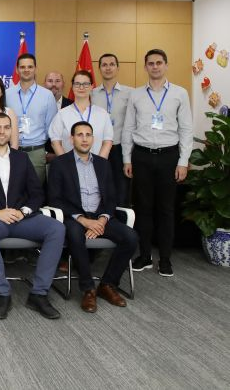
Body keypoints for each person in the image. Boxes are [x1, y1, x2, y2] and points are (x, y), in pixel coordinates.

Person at [0, 112, 65, 320]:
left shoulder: (21, 158)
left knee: (56, 228)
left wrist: (23, 211)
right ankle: (2, 294)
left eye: (6, 127)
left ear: (11, 131)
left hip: (21, 218)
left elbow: (37, 193)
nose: (2, 132)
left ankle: (39, 294)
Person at [47, 121, 138, 313]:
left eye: (88, 135)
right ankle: (88, 289)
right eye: (80, 135)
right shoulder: (59, 164)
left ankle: (107, 284)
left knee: (130, 237)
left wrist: (102, 220)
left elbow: (111, 198)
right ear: (72, 139)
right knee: (75, 235)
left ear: (93, 139)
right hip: (74, 217)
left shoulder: (103, 164)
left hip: (100, 217)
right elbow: (54, 199)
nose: (84, 139)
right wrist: (84, 220)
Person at [122, 49, 192, 277]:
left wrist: (183, 161)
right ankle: (144, 256)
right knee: (142, 208)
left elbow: (186, 129)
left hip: (168, 156)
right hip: (141, 156)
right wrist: (127, 158)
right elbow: (128, 128)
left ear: (166, 65)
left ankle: (165, 259)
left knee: (166, 209)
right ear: (145, 67)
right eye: (150, 63)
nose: (155, 67)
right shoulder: (136, 95)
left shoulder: (180, 94)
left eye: (159, 63)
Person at [6, 54, 58, 184]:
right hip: (12, 151)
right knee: (13, 188)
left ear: (35, 69)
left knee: (36, 190)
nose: (26, 70)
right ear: (17, 70)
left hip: (36, 152)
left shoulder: (47, 95)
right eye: (22, 67)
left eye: (30, 67)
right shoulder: (7, 94)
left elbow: (51, 126)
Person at [91, 53, 133, 206]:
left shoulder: (130, 93)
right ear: (99, 69)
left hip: (120, 147)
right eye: (104, 65)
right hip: (98, 148)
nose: (108, 68)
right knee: (99, 190)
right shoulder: (92, 94)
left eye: (112, 64)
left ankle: (120, 218)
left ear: (118, 68)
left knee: (121, 192)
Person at [49, 70, 113, 158]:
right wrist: (66, 163)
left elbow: (107, 142)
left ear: (92, 86)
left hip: (96, 163)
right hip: (69, 165)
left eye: (85, 84)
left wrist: (99, 163)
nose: (81, 87)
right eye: (77, 84)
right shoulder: (62, 114)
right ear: (72, 87)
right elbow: (55, 142)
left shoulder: (102, 114)